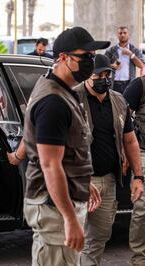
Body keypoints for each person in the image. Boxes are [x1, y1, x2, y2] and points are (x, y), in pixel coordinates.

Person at [23, 27, 108, 265]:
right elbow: (50, 165)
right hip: (55, 211)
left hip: (60, 205)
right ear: (63, 58)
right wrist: (69, 219)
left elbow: (68, 150)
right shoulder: (53, 102)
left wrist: (81, 180)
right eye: (86, 57)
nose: (92, 62)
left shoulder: (62, 91)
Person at [73, 54, 144, 266]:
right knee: (73, 237)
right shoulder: (73, 98)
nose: (104, 79)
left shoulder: (118, 100)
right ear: (87, 76)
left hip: (108, 180)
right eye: (99, 75)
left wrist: (138, 176)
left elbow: (130, 140)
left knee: (99, 237)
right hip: (80, 181)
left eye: (108, 74)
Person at [123, 73, 145, 266]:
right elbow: (122, 120)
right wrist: (125, 152)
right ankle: (139, 259)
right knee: (142, 209)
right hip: (143, 153)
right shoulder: (139, 85)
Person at [105, 26, 145, 94]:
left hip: (129, 83)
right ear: (117, 35)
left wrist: (131, 54)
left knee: (128, 103)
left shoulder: (134, 50)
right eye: (120, 33)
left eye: (124, 33)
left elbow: (141, 65)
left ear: (128, 34)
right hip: (114, 83)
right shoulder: (111, 50)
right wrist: (112, 66)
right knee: (115, 103)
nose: (122, 35)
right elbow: (103, 64)